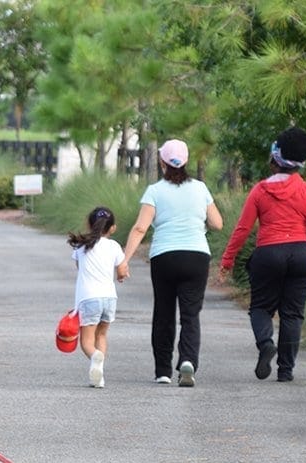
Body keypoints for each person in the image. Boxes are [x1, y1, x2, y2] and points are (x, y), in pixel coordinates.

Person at [217, 127, 306, 382]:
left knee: (260, 308)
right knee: (293, 314)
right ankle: (286, 371)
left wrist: (227, 260)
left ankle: (266, 343)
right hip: (302, 254)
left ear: (275, 158)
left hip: (268, 254)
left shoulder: (260, 190)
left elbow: (243, 228)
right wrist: (303, 222)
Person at [118, 138, 223, 387]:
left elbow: (140, 227)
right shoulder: (200, 188)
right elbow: (217, 224)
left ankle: (163, 370)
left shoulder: (155, 190)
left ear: (162, 162)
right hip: (197, 256)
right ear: (186, 161)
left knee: (163, 313)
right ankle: (188, 361)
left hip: (164, 257)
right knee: (190, 314)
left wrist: (124, 260)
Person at [67, 207, 128, 388]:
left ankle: (95, 357)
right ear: (113, 228)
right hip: (109, 298)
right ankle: (99, 377)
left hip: (89, 298)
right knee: (101, 335)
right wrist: (121, 276)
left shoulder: (81, 246)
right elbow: (122, 270)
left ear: (89, 224)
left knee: (86, 342)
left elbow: (80, 266)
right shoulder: (114, 246)